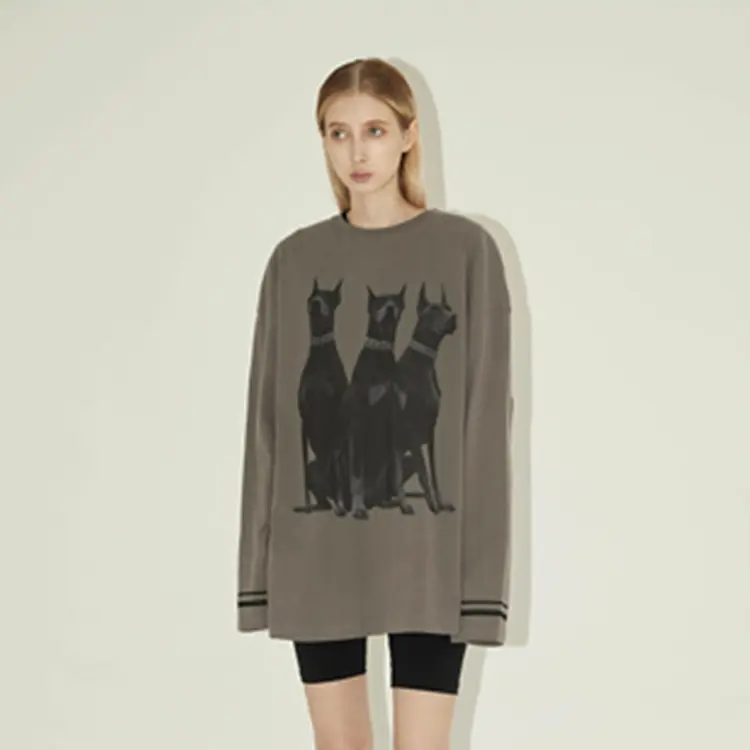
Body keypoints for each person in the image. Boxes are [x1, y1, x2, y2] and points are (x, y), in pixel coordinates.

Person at [236, 57, 513, 749]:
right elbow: (268, 425)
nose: (357, 152)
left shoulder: (467, 251)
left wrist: (482, 584)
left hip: (429, 556)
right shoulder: (293, 261)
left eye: (375, 130)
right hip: (318, 553)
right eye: (338, 133)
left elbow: (484, 426)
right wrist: (258, 572)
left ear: (410, 135)